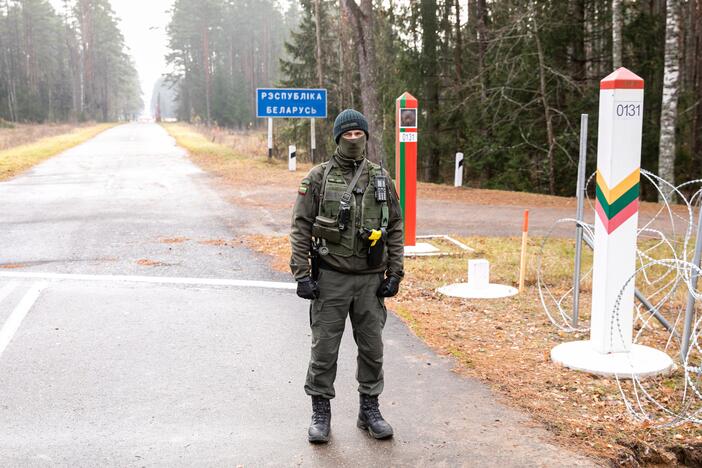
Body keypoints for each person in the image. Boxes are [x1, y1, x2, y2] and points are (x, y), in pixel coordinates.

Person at [289, 109, 404, 443]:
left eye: (359, 134)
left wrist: (395, 272)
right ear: (337, 138)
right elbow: (300, 226)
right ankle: (320, 412)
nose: (354, 139)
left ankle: (369, 410)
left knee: (372, 349)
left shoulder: (382, 178)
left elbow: (395, 226)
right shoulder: (318, 178)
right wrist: (302, 274)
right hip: (332, 278)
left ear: (366, 137)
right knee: (324, 349)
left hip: (370, 281)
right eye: (347, 135)